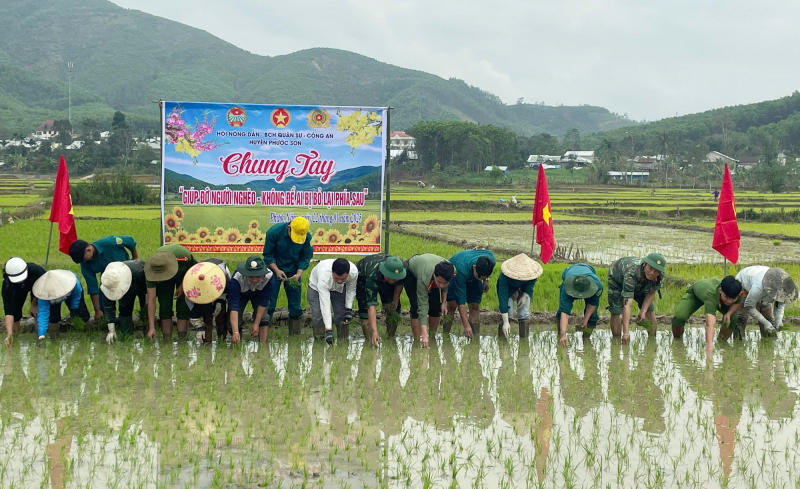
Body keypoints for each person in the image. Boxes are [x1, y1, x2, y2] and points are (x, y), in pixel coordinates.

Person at [262, 217, 313, 335]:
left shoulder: (307, 237)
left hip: (294, 271)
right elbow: (268, 255)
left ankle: (295, 337)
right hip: (273, 270)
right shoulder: (274, 232)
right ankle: (263, 336)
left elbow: (305, 257)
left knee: (295, 305)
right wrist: (277, 270)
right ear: (289, 227)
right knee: (269, 303)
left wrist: (298, 273)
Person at [69, 236, 138, 321]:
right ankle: (110, 320)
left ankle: (126, 321)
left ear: (89, 250)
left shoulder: (109, 242)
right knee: (104, 303)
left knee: (125, 303)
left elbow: (130, 241)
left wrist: (135, 258)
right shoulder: (85, 264)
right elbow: (92, 288)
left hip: (125, 270)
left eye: (84, 259)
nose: (84, 262)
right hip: (108, 277)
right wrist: (97, 311)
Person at [671, 276, 742, 352]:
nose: (729, 301)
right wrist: (709, 345)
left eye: (733, 298)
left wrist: (728, 313)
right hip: (696, 295)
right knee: (680, 316)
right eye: (726, 297)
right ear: (720, 290)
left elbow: (737, 303)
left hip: (719, 299)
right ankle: (677, 342)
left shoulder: (736, 291)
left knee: (732, 318)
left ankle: (722, 342)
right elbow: (710, 323)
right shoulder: (711, 294)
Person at [607, 253, 666, 343]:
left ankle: (652, 341)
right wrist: (626, 333)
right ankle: (616, 341)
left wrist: (643, 311)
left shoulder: (659, 276)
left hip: (643, 281)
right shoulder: (632, 272)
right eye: (650, 268)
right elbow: (627, 303)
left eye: (656, 271)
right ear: (645, 264)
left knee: (650, 310)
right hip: (617, 279)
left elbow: (651, 292)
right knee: (616, 310)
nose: (652, 273)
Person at [144, 244, 197, 340]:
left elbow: (194, 271)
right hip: (164, 275)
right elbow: (151, 300)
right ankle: (166, 340)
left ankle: (182, 339)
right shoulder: (152, 269)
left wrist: (182, 286)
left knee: (183, 304)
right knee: (164, 305)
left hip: (184, 271)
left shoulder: (183, 258)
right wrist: (151, 327)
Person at [403, 254, 455, 348]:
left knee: (435, 307)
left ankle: (432, 337)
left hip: (429, 269)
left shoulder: (451, 270)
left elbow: (444, 285)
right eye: (439, 282)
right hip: (412, 272)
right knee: (416, 306)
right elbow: (422, 306)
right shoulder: (424, 277)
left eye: (445, 283)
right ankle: (418, 340)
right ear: (434, 274)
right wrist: (424, 333)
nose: (441, 286)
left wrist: (444, 302)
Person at [355, 254, 406, 346]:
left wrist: (394, 303)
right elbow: (371, 305)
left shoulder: (401, 268)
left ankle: (390, 337)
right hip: (363, 277)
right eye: (390, 277)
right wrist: (374, 331)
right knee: (364, 308)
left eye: (395, 279)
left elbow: (398, 287)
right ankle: (370, 340)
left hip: (384, 278)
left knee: (393, 308)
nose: (393, 280)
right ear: (385, 272)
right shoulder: (372, 275)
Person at [735, 266, 797, 338]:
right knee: (741, 318)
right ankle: (739, 343)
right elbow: (749, 306)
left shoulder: (781, 287)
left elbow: (781, 302)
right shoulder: (758, 287)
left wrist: (779, 320)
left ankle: (769, 344)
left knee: (769, 320)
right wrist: (765, 323)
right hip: (743, 286)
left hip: (763, 290)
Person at [445, 249, 496, 338]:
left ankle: (475, 337)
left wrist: (485, 280)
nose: (480, 279)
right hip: (454, 273)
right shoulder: (461, 269)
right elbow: (461, 301)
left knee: (474, 306)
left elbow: (484, 274)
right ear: (474, 267)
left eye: (483, 277)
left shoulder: (491, 261)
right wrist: (466, 325)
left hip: (473, 276)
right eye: (479, 277)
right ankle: (445, 335)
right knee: (452, 305)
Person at [31, 270, 90, 344]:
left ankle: (87, 336)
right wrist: (41, 334)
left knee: (81, 312)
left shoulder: (73, 284)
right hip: (53, 301)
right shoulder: (44, 296)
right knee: (53, 319)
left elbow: (76, 295)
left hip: (70, 293)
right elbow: (43, 313)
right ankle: (55, 340)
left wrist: (74, 309)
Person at [308, 258, 358, 345]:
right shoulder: (324, 277)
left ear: (348, 273)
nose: (339, 281)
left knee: (341, 314)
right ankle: (319, 341)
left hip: (338, 289)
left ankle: (343, 341)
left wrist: (348, 308)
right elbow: (325, 303)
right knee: (317, 314)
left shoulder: (353, 272)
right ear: (332, 272)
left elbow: (351, 289)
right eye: (337, 278)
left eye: (343, 279)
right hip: (316, 287)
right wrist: (328, 329)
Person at [228, 256, 274, 344]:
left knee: (264, 318)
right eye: (251, 276)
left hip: (259, 294)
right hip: (241, 294)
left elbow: (264, 302)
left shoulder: (269, 277)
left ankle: (263, 348)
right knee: (233, 324)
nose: (254, 280)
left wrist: (256, 324)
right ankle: (236, 347)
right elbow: (234, 306)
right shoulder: (236, 279)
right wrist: (235, 332)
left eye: (258, 276)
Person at [183, 259, 230, 344]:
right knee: (207, 317)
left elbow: (227, 289)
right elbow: (191, 306)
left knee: (220, 317)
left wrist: (220, 302)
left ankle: (222, 340)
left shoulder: (222, 272)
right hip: (201, 291)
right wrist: (199, 325)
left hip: (220, 287)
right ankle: (207, 341)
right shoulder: (190, 285)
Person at [3, 258, 49, 347]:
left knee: (38, 312)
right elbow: (9, 311)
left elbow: (44, 286)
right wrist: (9, 334)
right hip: (17, 291)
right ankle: (13, 339)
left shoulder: (35, 271)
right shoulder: (7, 286)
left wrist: (34, 304)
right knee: (15, 314)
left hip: (38, 288)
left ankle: (41, 340)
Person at [99, 260, 147, 343]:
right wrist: (111, 330)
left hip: (141, 280)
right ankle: (126, 336)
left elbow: (149, 294)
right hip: (126, 286)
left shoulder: (140, 271)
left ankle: (147, 333)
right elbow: (108, 306)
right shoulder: (107, 281)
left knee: (145, 308)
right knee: (125, 309)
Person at [497, 253, 543, 339]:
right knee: (508, 314)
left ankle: (524, 342)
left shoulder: (531, 272)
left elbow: (531, 283)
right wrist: (506, 322)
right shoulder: (504, 277)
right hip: (509, 290)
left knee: (524, 314)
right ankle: (503, 340)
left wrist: (525, 295)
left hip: (523, 289)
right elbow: (503, 297)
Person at [557, 263, 604, 347]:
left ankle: (586, 340)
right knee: (561, 311)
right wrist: (563, 334)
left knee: (592, 316)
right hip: (570, 272)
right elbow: (565, 312)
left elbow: (593, 303)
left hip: (588, 270)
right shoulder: (566, 288)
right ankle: (560, 336)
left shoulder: (597, 286)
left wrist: (585, 320)